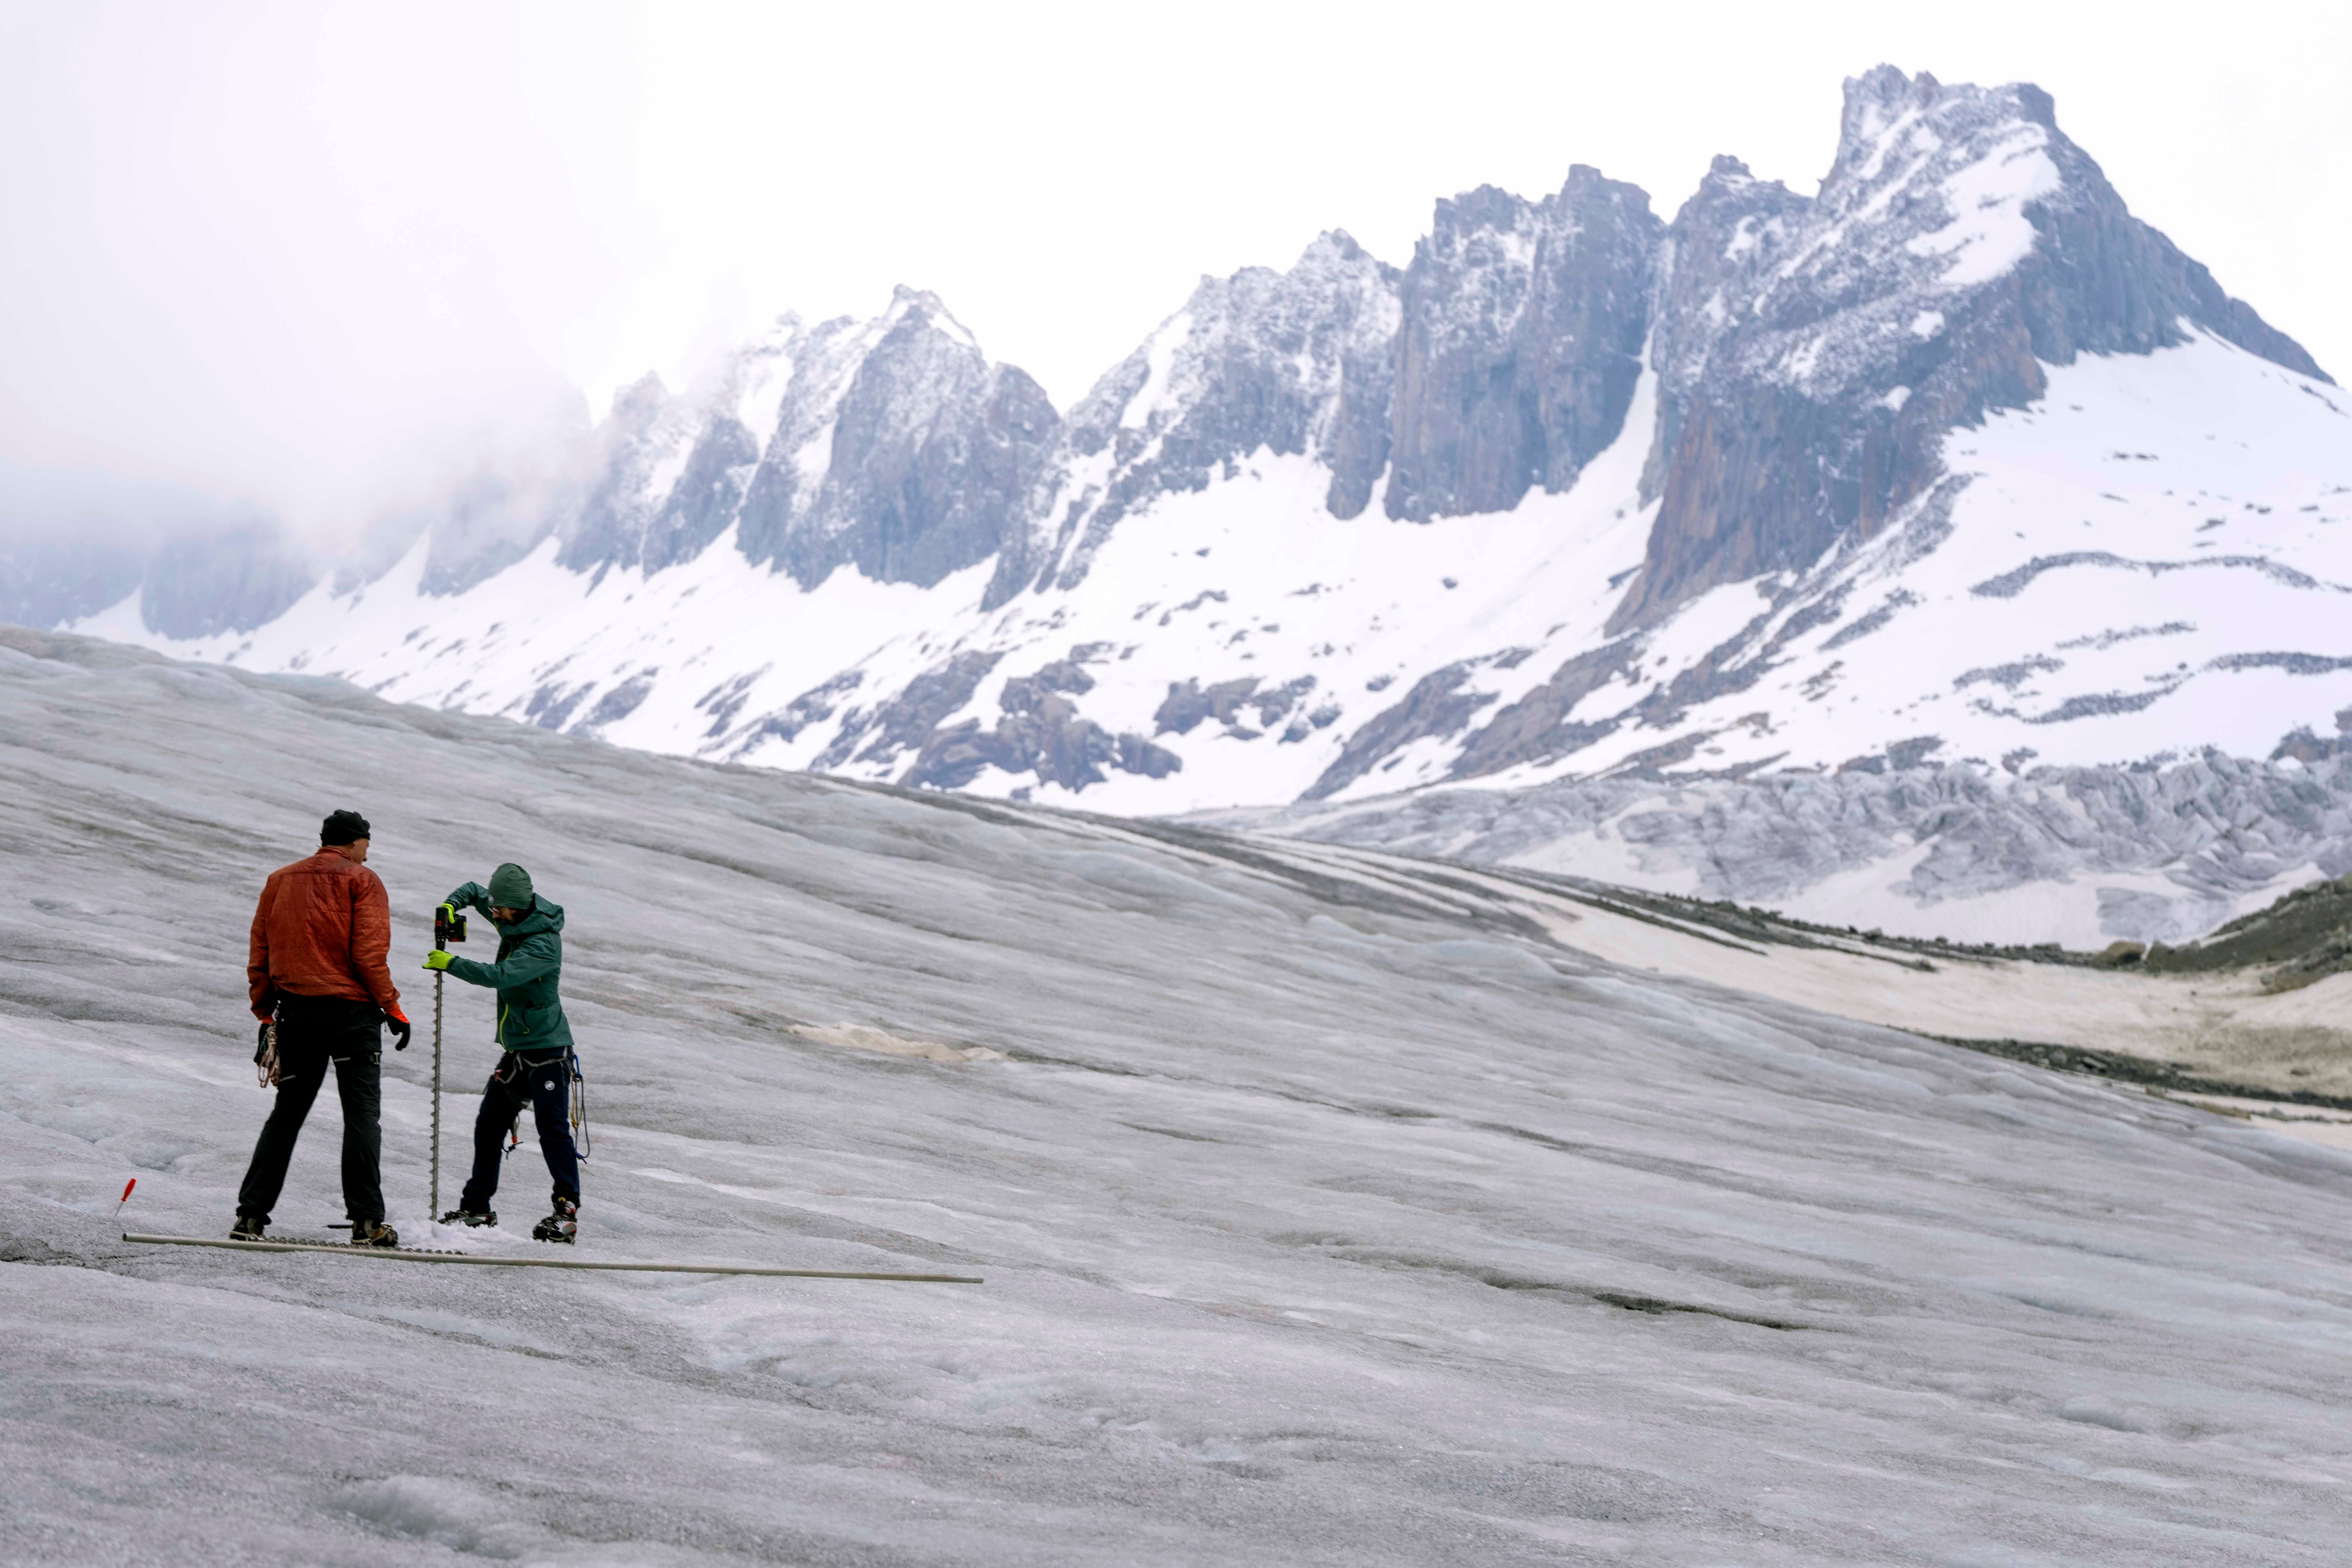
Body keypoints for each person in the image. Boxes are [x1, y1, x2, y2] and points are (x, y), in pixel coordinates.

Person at [235, 809, 411, 1247]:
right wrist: (393, 1008)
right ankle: (367, 1223)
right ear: (354, 841)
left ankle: (250, 1217)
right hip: (353, 1016)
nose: (368, 851)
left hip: (298, 1013)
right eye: (367, 842)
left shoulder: (281, 880)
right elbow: (369, 955)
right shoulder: (362, 880)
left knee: (287, 1115)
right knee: (362, 1116)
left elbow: (261, 949)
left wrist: (265, 1012)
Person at [426, 862, 582, 1242]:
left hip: (549, 1053)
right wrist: (451, 906)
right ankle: (477, 1208)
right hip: (519, 1053)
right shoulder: (511, 917)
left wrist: (452, 964)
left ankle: (566, 1214)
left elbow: (501, 976)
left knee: (553, 1131)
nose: (493, 913)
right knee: (489, 1125)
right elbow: (474, 890)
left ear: (517, 906)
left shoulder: (543, 945)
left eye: (499, 909)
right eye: (493, 908)